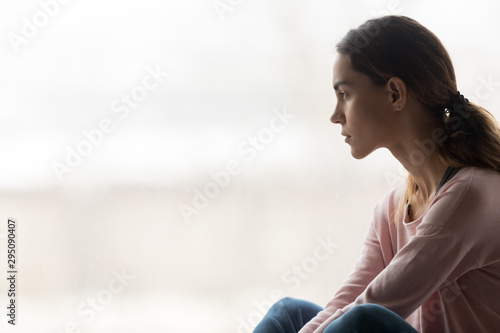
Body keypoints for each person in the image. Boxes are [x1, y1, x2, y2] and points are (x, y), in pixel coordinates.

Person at [253, 15, 500, 333]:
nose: (335, 115)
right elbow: (345, 302)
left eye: (345, 94)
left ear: (395, 93)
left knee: (362, 319)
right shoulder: (392, 208)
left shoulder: (471, 194)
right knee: (289, 313)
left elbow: (379, 303)